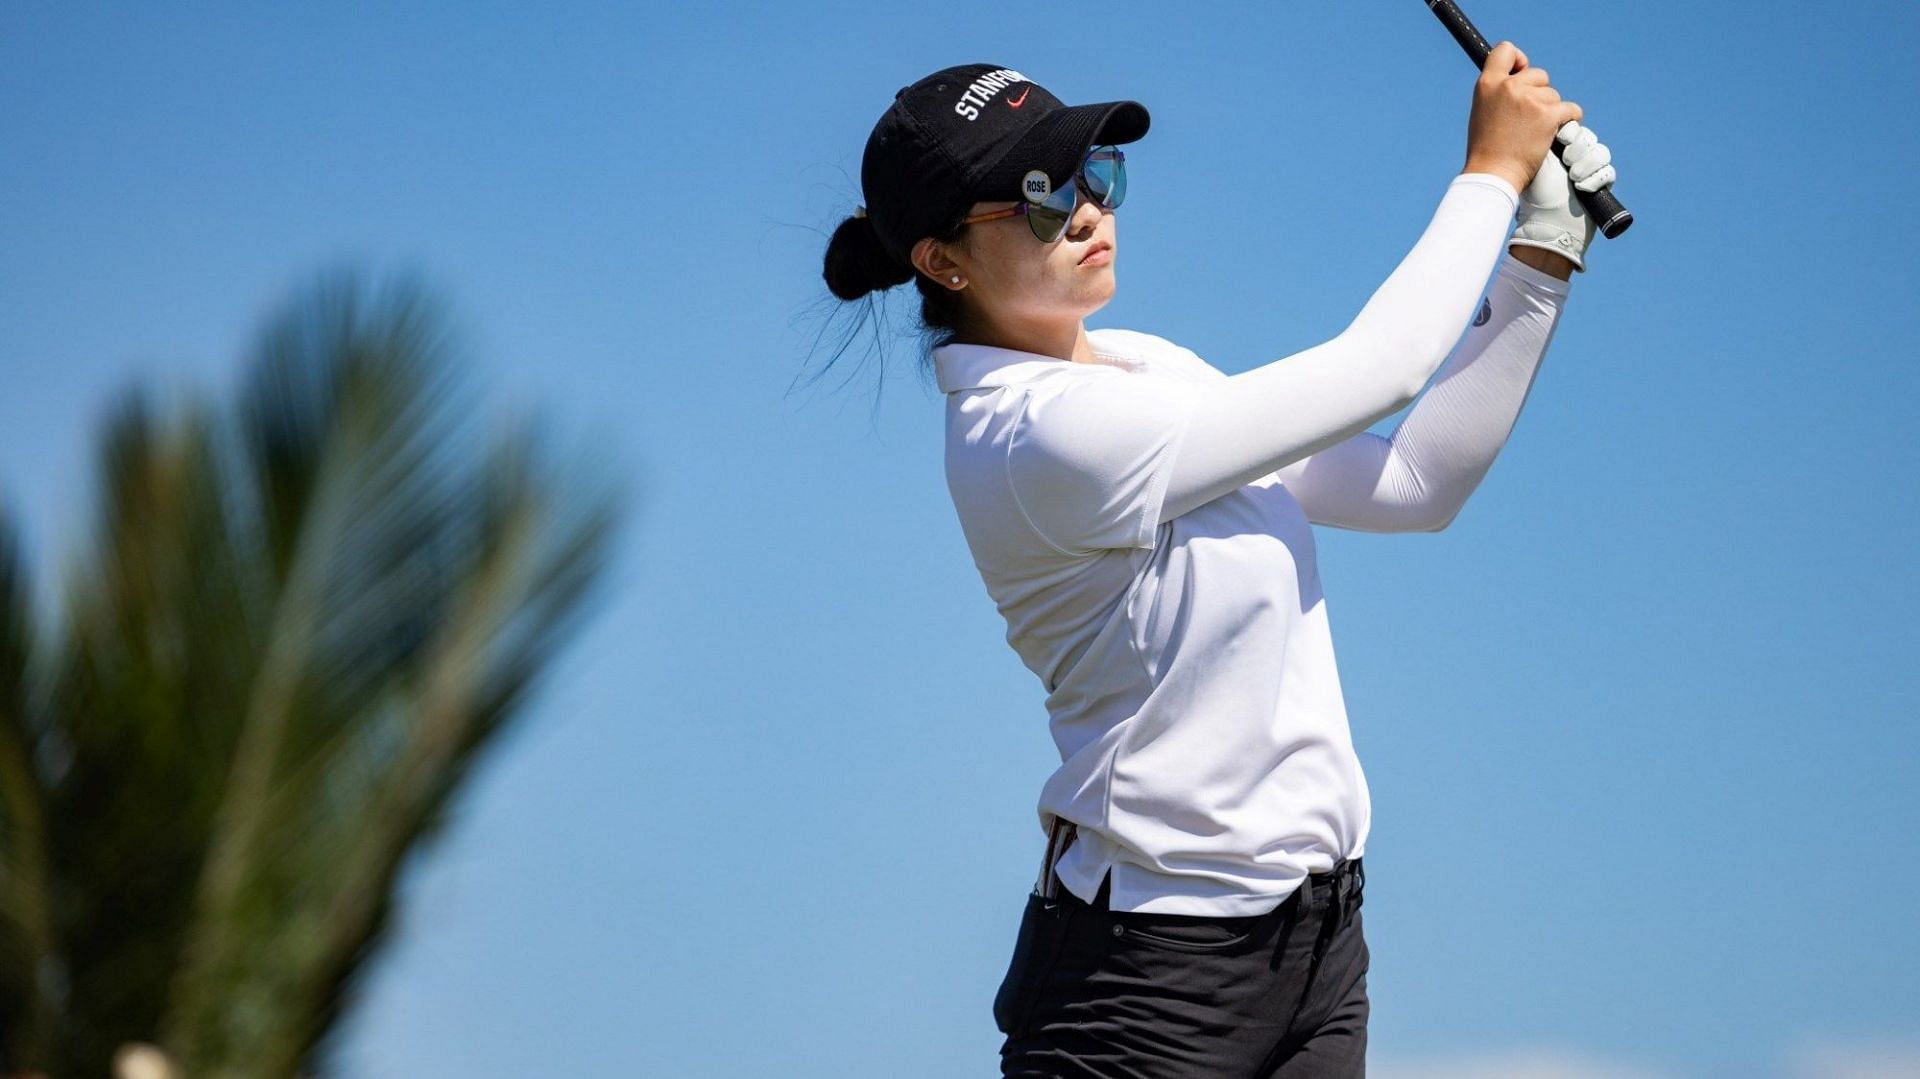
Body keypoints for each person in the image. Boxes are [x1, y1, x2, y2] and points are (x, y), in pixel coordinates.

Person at [819, 43, 1616, 1079]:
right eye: (1039, 195)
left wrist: (1542, 251)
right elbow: (1382, 369)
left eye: (1093, 172)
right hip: (1148, 983)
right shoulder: (1031, 438)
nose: (1088, 208)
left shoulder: (1155, 370)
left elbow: (1417, 484)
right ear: (942, 260)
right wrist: (1493, 172)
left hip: (1321, 947)